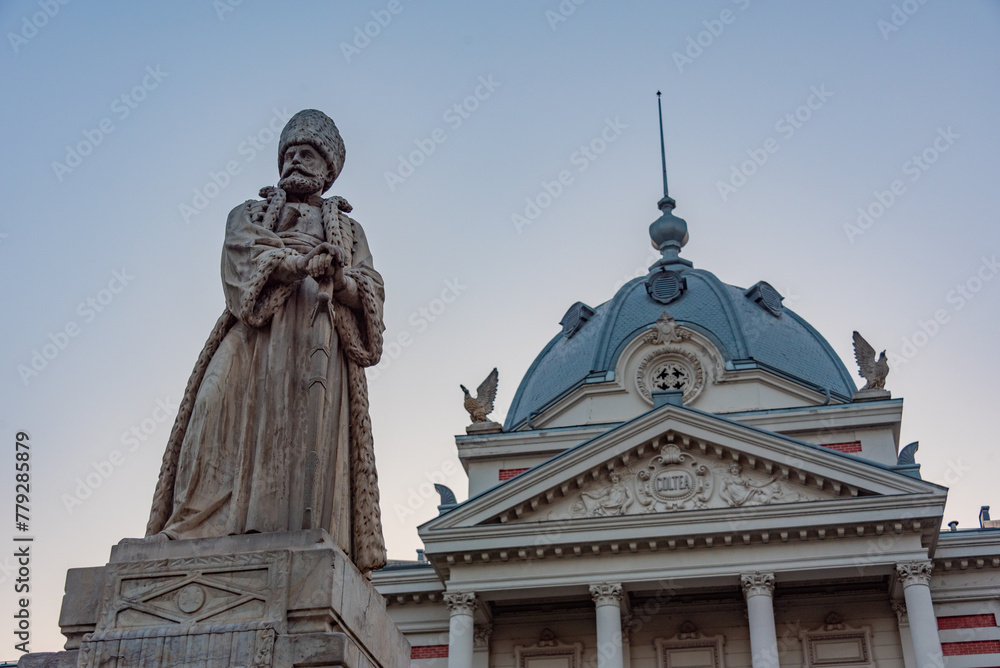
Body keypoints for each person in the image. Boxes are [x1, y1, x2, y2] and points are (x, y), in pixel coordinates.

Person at [145, 109, 387, 573]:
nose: (295, 160)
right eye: (289, 153)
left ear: (328, 170)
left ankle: (292, 531)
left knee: (303, 435)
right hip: (255, 326)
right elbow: (242, 252)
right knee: (214, 407)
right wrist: (297, 264)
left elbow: (370, 286)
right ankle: (194, 522)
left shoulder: (350, 231)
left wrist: (339, 276)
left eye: (307, 153)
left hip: (317, 329)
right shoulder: (252, 212)